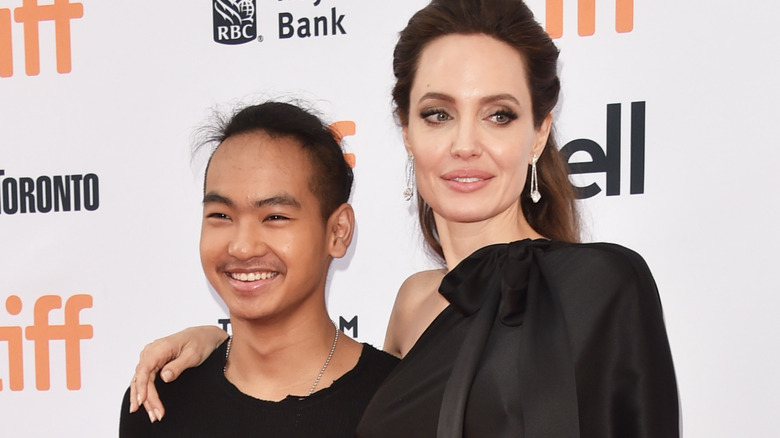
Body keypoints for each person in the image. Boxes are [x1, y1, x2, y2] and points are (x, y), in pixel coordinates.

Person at [129, 1, 680, 436]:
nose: (465, 144)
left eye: (499, 115)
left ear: (537, 133)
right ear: (407, 131)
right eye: (438, 114)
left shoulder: (603, 287)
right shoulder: (413, 305)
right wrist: (219, 342)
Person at [119, 101, 398, 437]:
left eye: (275, 217)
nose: (242, 247)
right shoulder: (159, 401)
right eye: (221, 216)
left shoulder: (399, 404)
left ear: (337, 231)